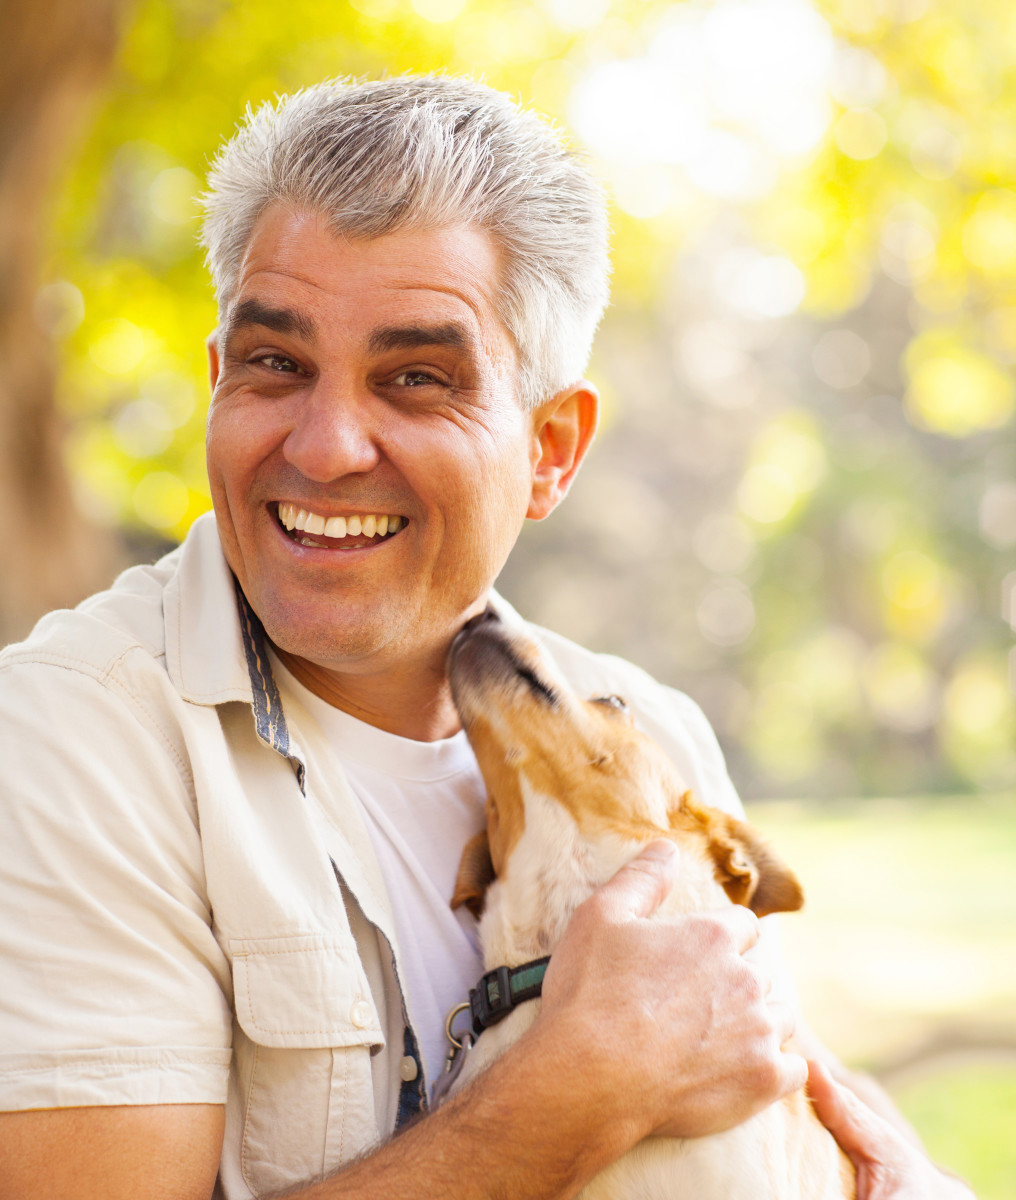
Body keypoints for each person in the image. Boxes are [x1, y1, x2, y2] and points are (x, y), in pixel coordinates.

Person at [0, 76, 972, 1199]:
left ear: (551, 448)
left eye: (416, 379)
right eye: (276, 364)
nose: (322, 448)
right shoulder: (69, 745)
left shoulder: (652, 736)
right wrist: (570, 1094)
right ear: (217, 380)